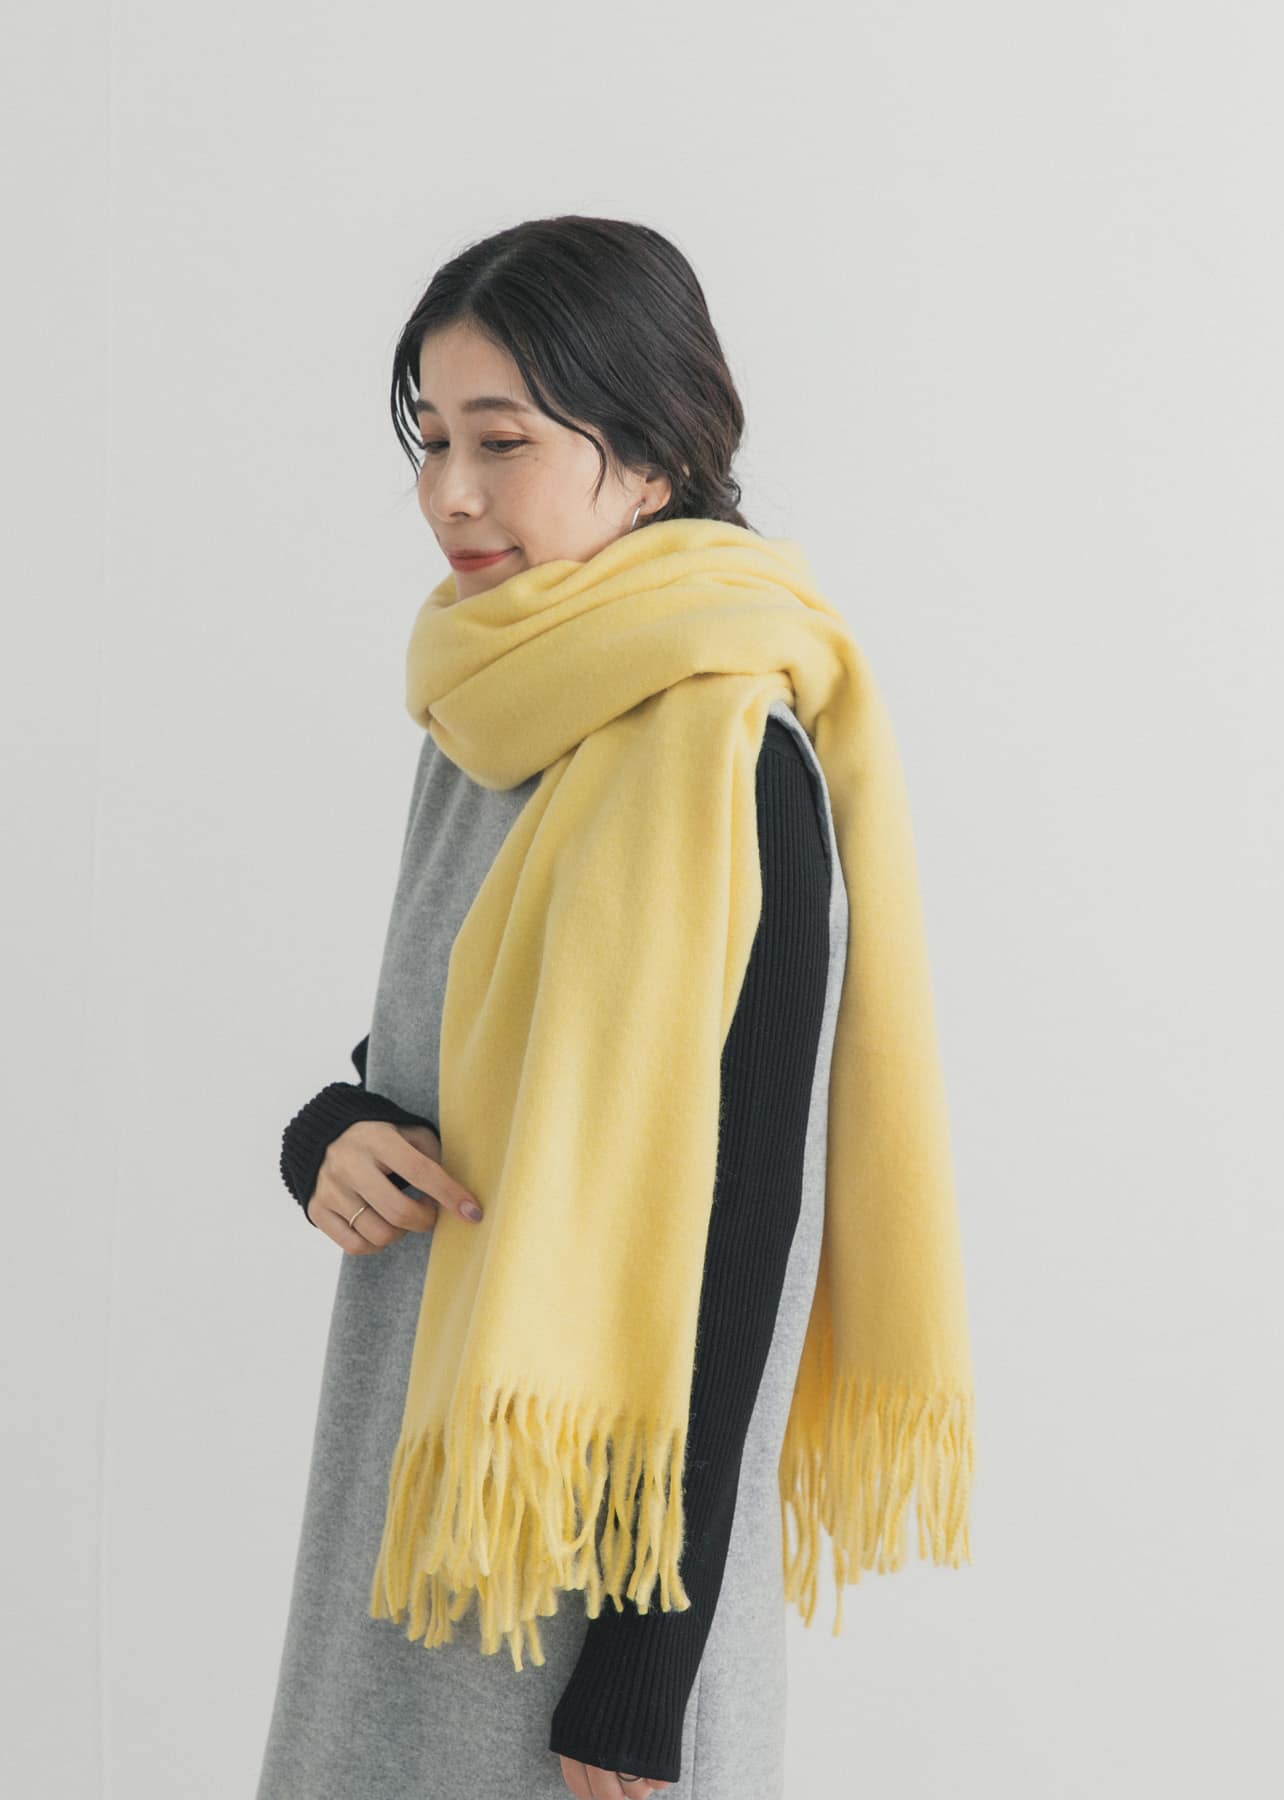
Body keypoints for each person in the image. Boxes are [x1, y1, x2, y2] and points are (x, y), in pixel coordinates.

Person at [256, 216, 850, 1799]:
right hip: (419, 1493)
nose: (451, 491)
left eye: (503, 441)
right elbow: (441, 1059)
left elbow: (749, 1224)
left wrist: (645, 1670)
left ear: (651, 455)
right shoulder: (486, 722)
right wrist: (334, 1130)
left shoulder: (735, 758)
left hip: (604, 1564)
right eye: (433, 438)